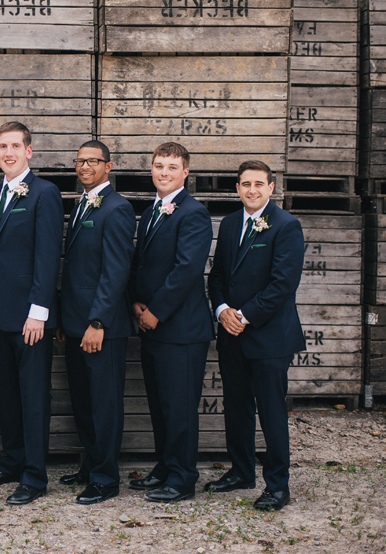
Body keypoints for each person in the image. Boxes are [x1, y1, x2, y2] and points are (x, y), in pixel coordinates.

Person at [206, 160, 305, 511]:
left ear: (271, 188)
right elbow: (217, 276)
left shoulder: (286, 226)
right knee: (237, 407)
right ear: (237, 188)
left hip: (269, 338)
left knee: (271, 411)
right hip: (232, 333)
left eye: (259, 184)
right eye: (245, 184)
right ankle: (241, 471)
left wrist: (244, 316)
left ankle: (278, 485)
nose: (252, 190)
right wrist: (222, 311)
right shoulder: (231, 224)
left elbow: (282, 285)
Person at [0, 121, 64, 505]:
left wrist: (39, 312)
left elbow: (48, 257)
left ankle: (34, 475)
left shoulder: (45, 193)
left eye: (15, 145)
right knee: (8, 396)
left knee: (33, 397)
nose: (8, 152)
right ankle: (11, 462)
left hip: (30, 318)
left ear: (29, 151)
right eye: (2, 146)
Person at [127, 142, 214, 503]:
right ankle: (165, 466)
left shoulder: (193, 213)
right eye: (159, 165)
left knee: (179, 408)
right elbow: (141, 264)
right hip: (152, 326)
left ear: (185, 172)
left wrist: (155, 311)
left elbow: (186, 270)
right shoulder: (151, 213)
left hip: (181, 330)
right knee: (161, 405)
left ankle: (182, 478)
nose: (163, 172)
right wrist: (135, 301)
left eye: (171, 167)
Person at [56, 140, 136, 505]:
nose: (85, 166)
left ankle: (106, 478)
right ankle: (91, 465)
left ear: (109, 165)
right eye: (80, 161)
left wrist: (98, 322)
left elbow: (115, 271)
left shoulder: (116, 209)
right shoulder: (82, 204)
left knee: (104, 404)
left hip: (100, 328)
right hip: (75, 325)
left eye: (93, 161)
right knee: (84, 402)